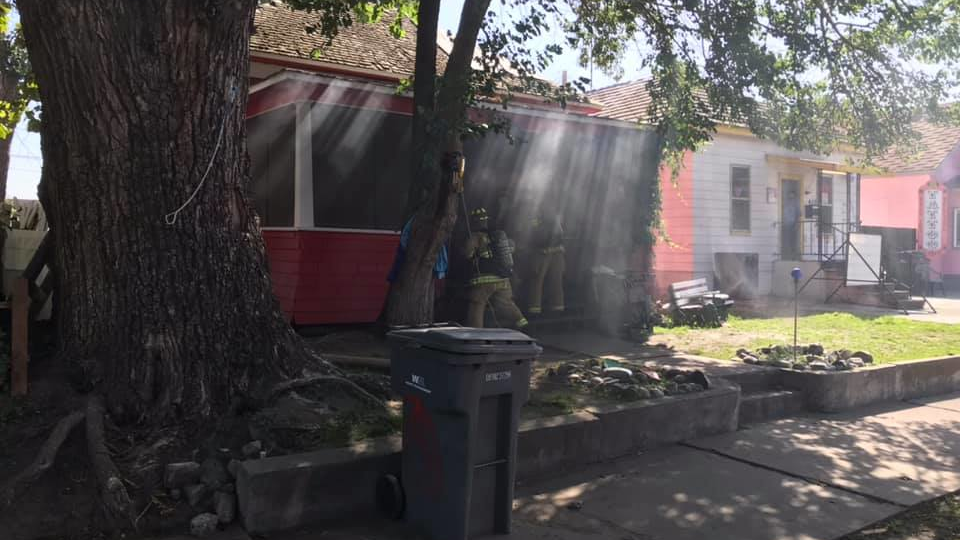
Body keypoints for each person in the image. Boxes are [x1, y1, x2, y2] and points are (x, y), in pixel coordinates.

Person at [461, 207, 528, 329]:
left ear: (474, 221)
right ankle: (523, 325)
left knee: (476, 306)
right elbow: (512, 249)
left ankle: (476, 336)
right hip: (503, 280)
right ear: (486, 220)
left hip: (483, 282)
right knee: (507, 305)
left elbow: (467, 254)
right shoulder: (499, 236)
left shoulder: (476, 236)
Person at [526, 205, 565, 315]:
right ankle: (551, 309)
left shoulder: (541, 215)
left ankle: (540, 309)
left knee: (543, 280)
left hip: (547, 251)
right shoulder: (540, 215)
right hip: (548, 251)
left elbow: (534, 232)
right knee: (543, 280)